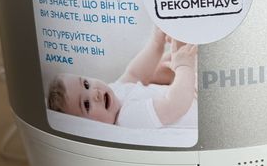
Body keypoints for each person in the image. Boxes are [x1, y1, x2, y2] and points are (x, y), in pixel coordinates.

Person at [47, 27, 197, 128]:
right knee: (184, 60)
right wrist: (184, 66)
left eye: (86, 84)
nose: (94, 93)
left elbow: (135, 74)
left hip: (187, 90)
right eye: (86, 104)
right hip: (195, 104)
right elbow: (175, 106)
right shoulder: (128, 118)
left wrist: (156, 43)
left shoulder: (115, 93)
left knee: (171, 59)